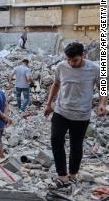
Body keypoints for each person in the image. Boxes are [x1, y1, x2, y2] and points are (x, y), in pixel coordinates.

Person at [44, 42, 107, 189]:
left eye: (75, 60)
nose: (71, 63)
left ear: (83, 55)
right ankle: (62, 176)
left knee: (76, 145)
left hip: (81, 114)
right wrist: (48, 104)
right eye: (68, 60)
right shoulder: (61, 67)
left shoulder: (94, 69)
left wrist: (102, 104)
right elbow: (56, 84)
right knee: (55, 139)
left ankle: (72, 175)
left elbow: (103, 87)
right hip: (61, 111)